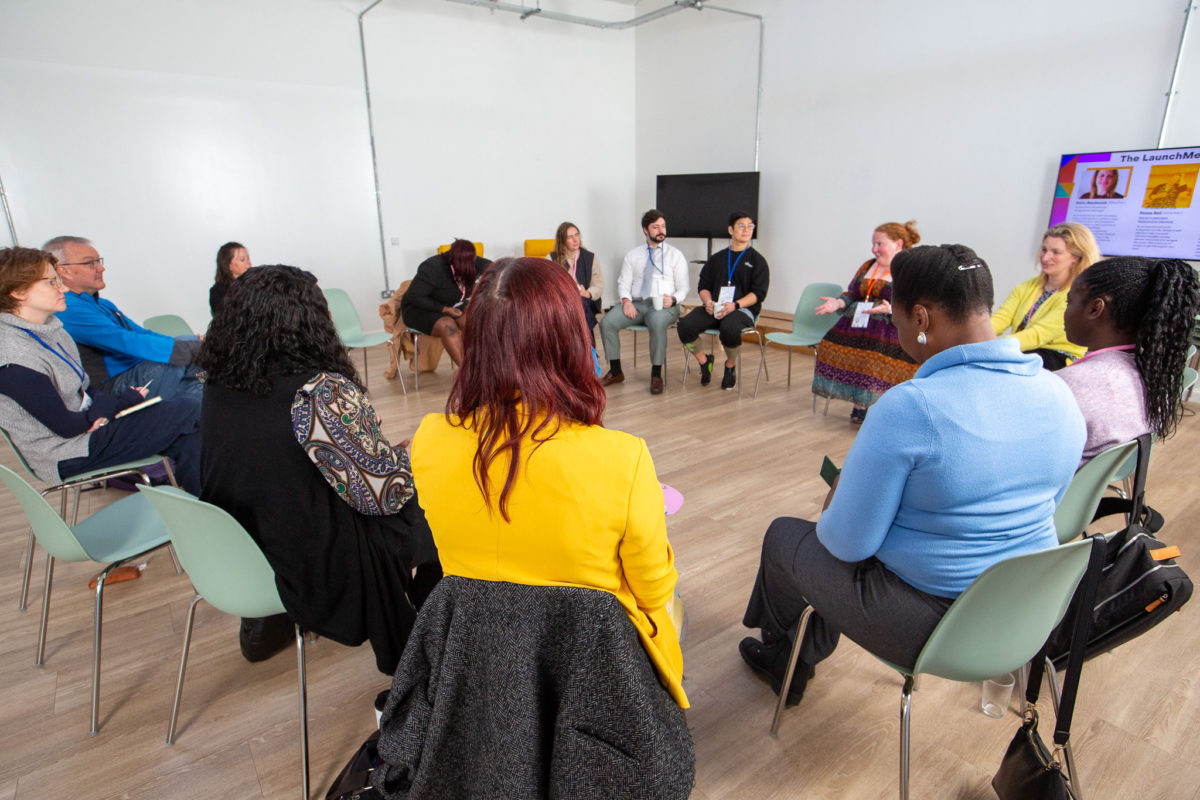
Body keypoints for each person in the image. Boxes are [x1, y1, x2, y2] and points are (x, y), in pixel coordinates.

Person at [739, 244, 1084, 707]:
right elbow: (1053, 502)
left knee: (786, 537)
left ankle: (788, 660)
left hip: (937, 624)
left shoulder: (912, 406)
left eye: (896, 317)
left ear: (920, 318)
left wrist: (842, 499)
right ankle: (797, 651)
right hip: (1027, 613)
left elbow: (847, 545)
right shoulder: (1059, 393)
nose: (895, 326)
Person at [410, 256, 687, 708]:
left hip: (479, 667)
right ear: (569, 340)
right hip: (594, 675)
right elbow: (653, 590)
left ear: (476, 339)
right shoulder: (624, 458)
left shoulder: (430, 439)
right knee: (677, 610)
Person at [198, 265, 440, 671]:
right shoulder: (317, 390)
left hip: (246, 548)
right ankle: (427, 633)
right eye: (321, 309)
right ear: (304, 322)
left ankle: (269, 622)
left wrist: (359, 446)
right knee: (449, 508)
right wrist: (407, 458)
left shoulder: (219, 382)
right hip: (317, 557)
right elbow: (384, 493)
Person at [0, 247, 201, 493]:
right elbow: (67, 427)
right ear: (18, 292)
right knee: (190, 409)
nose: (62, 289)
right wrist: (117, 404)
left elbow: (86, 390)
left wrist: (103, 411)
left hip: (92, 429)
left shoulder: (54, 331)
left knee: (190, 437)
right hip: (67, 452)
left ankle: (207, 513)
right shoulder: (11, 354)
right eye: (52, 282)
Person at [1060, 256, 1200, 463]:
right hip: (1085, 491)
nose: (1066, 310)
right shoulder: (1151, 374)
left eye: (1069, 301)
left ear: (1095, 309)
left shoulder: (1069, 385)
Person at [44, 235, 203, 400]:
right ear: (63, 270)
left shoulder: (103, 304)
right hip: (115, 384)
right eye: (90, 263)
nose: (100, 268)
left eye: (99, 261)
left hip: (139, 370)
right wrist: (193, 349)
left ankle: (206, 391)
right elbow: (124, 341)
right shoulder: (68, 308)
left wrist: (192, 345)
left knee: (190, 354)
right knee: (178, 360)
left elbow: (142, 334)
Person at [812, 220, 920, 423]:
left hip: (889, 332)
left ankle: (877, 408)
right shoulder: (868, 266)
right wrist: (837, 303)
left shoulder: (908, 271)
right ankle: (859, 404)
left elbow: (914, 304)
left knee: (872, 358)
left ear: (898, 244)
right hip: (856, 325)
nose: (875, 249)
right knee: (830, 345)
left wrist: (890, 309)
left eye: (880, 244)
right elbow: (852, 294)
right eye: (873, 244)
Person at [598, 209, 690, 395]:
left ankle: (656, 374)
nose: (660, 230)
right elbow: (623, 283)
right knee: (607, 322)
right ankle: (616, 371)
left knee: (656, 322)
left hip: (665, 306)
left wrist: (672, 300)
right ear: (645, 230)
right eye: (655, 227)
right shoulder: (633, 255)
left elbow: (684, 287)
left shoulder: (675, 255)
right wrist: (626, 301)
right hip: (638, 304)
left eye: (663, 226)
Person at [677, 211, 769, 391]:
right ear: (730, 230)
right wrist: (708, 302)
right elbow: (703, 286)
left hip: (742, 310)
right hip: (715, 307)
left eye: (750, 226)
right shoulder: (717, 259)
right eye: (741, 226)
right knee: (685, 325)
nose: (746, 230)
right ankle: (705, 362)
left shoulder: (758, 261)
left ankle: (730, 366)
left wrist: (735, 305)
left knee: (729, 327)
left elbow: (759, 293)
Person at [991, 221, 1100, 370]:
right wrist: (973, 336)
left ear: (1075, 257)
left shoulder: (1076, 295)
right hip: (1025, 351)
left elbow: (1038, 334)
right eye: (1044, 250)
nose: (1045, 257)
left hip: (1057, 358)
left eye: (1056, 252)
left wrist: (990, 347)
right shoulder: (1028, 286)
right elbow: (1002, 317)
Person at [400, 239, 491, 368]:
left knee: (474, 324)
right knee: (448, 327)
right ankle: (468, 374)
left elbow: (499, 269)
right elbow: (415, 296)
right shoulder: (432, 268)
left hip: (452, 306)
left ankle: (484, 367)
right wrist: (444, 309)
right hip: (419, 309)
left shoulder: (475, 262)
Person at [549, 221, 604, 335]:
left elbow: (598, 284)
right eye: (570, 237)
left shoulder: (590, 257)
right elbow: (546, 285)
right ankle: (584, 342)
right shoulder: (551, 259)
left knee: (581, 305)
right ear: (562, 240)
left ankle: (583, 341)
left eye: (577, 235)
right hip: (562, 300)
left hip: (584, 298)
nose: (575, 240)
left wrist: (587, 293)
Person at [208, 241, 252, 314]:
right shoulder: (218, 292)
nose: (249, 264)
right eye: (242, 260)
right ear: (229, 265)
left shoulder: (255, 286)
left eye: (248, 259)